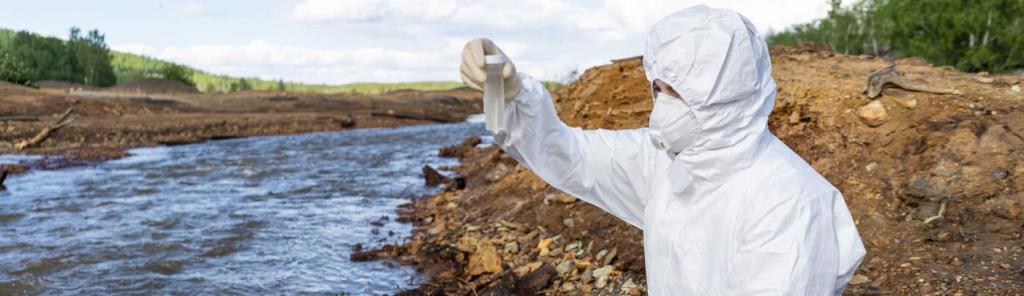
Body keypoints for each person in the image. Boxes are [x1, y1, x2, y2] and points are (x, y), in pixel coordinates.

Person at [459, 5, 864, 295]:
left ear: (728, 97)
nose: (661, 103)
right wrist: (511, 92)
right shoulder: (667, 160)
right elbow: (569, 155)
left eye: (678, 91)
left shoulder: (790, 203)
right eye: (659, 87)